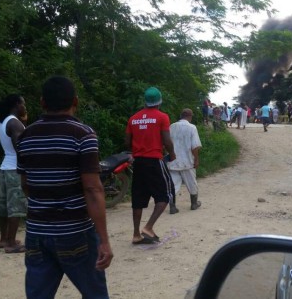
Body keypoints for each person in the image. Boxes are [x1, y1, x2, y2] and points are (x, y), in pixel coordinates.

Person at [17, 76, 113, 298]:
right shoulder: (83, 135)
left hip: (37, 234)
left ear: (42, 102)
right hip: (75, 232)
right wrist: (104, 241)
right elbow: (93, 189)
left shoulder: (26, 136)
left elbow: (26, 184)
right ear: (75, 102)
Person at [125, 87, 176, 241]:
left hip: (138, 163)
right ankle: (148, 228)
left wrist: (132, 152)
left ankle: (135, 235)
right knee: (166, 194)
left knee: (138, 198)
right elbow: (166, 140)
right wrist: (172, 154)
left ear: (145, 101)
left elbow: (127, 142)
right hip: (154, 161)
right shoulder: (162, 117)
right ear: (159, 101)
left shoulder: (133, 118)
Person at [0, 94, 27, 254]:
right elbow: (20, 148)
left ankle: (4, 238)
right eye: (23, 104)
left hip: (4, 167)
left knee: (4, 206)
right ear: (16, 105)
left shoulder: (2, 122)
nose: (24, 107)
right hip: (15, 168)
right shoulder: (15, 123)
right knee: (16, 206)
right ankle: (11, 243)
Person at [167, 109, 202, 212]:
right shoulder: (192, 127)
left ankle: (172, 207)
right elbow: (195, 146)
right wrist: (196, 159)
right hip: (187, 161)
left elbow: (166, 143)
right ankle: (194, 204)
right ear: (190, 116)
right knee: (192, 183)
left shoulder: (172, 126)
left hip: (173, 161)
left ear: (181, 115)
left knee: (173, 185)